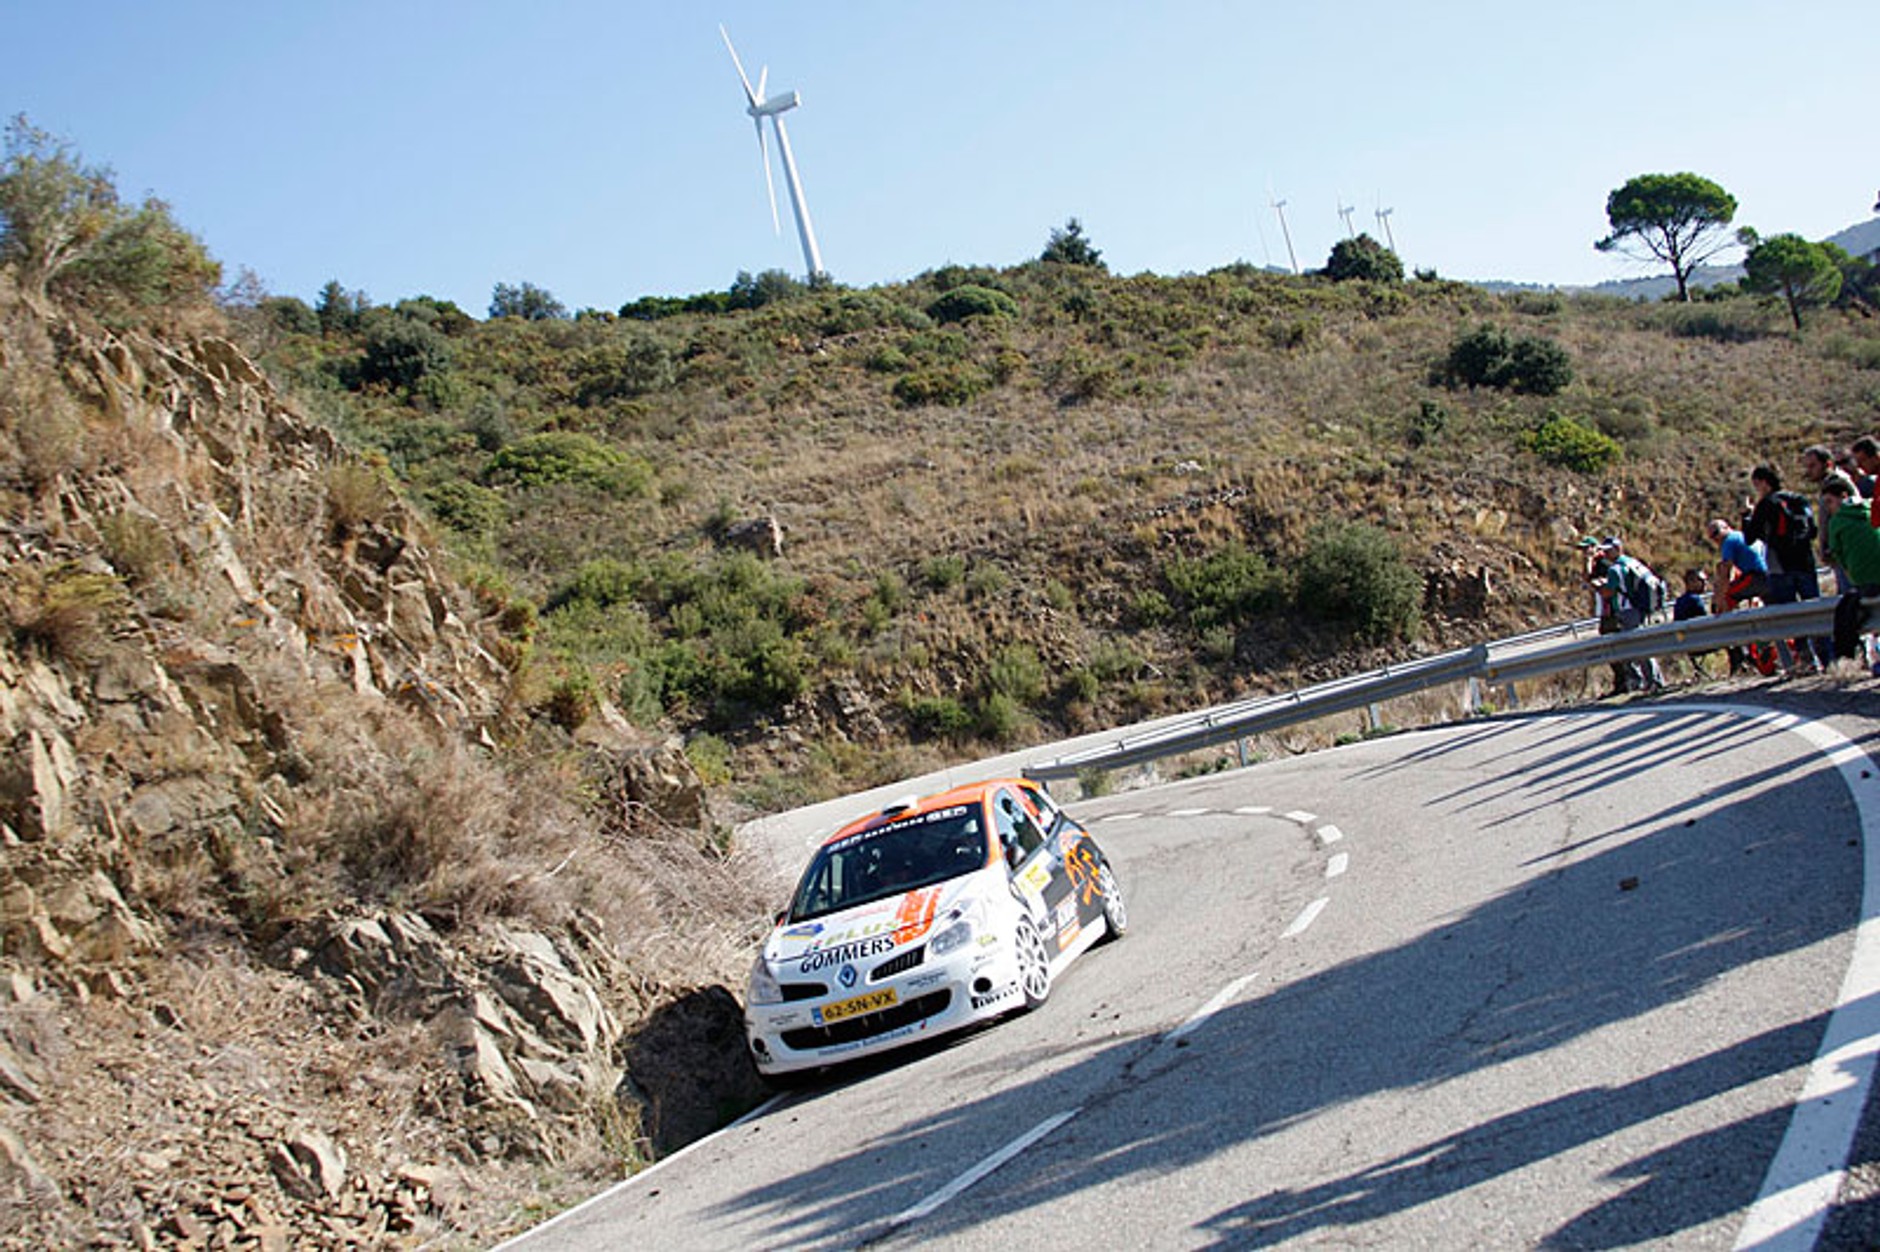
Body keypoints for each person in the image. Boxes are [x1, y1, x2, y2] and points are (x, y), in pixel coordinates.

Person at [1740, 464, 1828, 671]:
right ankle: (1828, 658)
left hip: (1780, 566)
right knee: (1816, 611)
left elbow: (1749, 537)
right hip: (1805, 562)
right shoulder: (1799, 500)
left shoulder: (1766, 504)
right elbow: (1812, 531)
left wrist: (1747, 515)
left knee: (1792, 616)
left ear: (1763, 483)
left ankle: (1807, 661)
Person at [1707, 518, 1773, 675]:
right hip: (1769, 577)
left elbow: (1726, 572)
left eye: (1716, 533)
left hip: (1756, 577)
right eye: (1711, 537)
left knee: (1728, 596)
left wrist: (1719, 600)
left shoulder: (1729, 541)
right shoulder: (1741, 536)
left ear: (1726, 527)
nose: (1715, 539)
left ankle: (1735, 645)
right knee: (1775, 616)